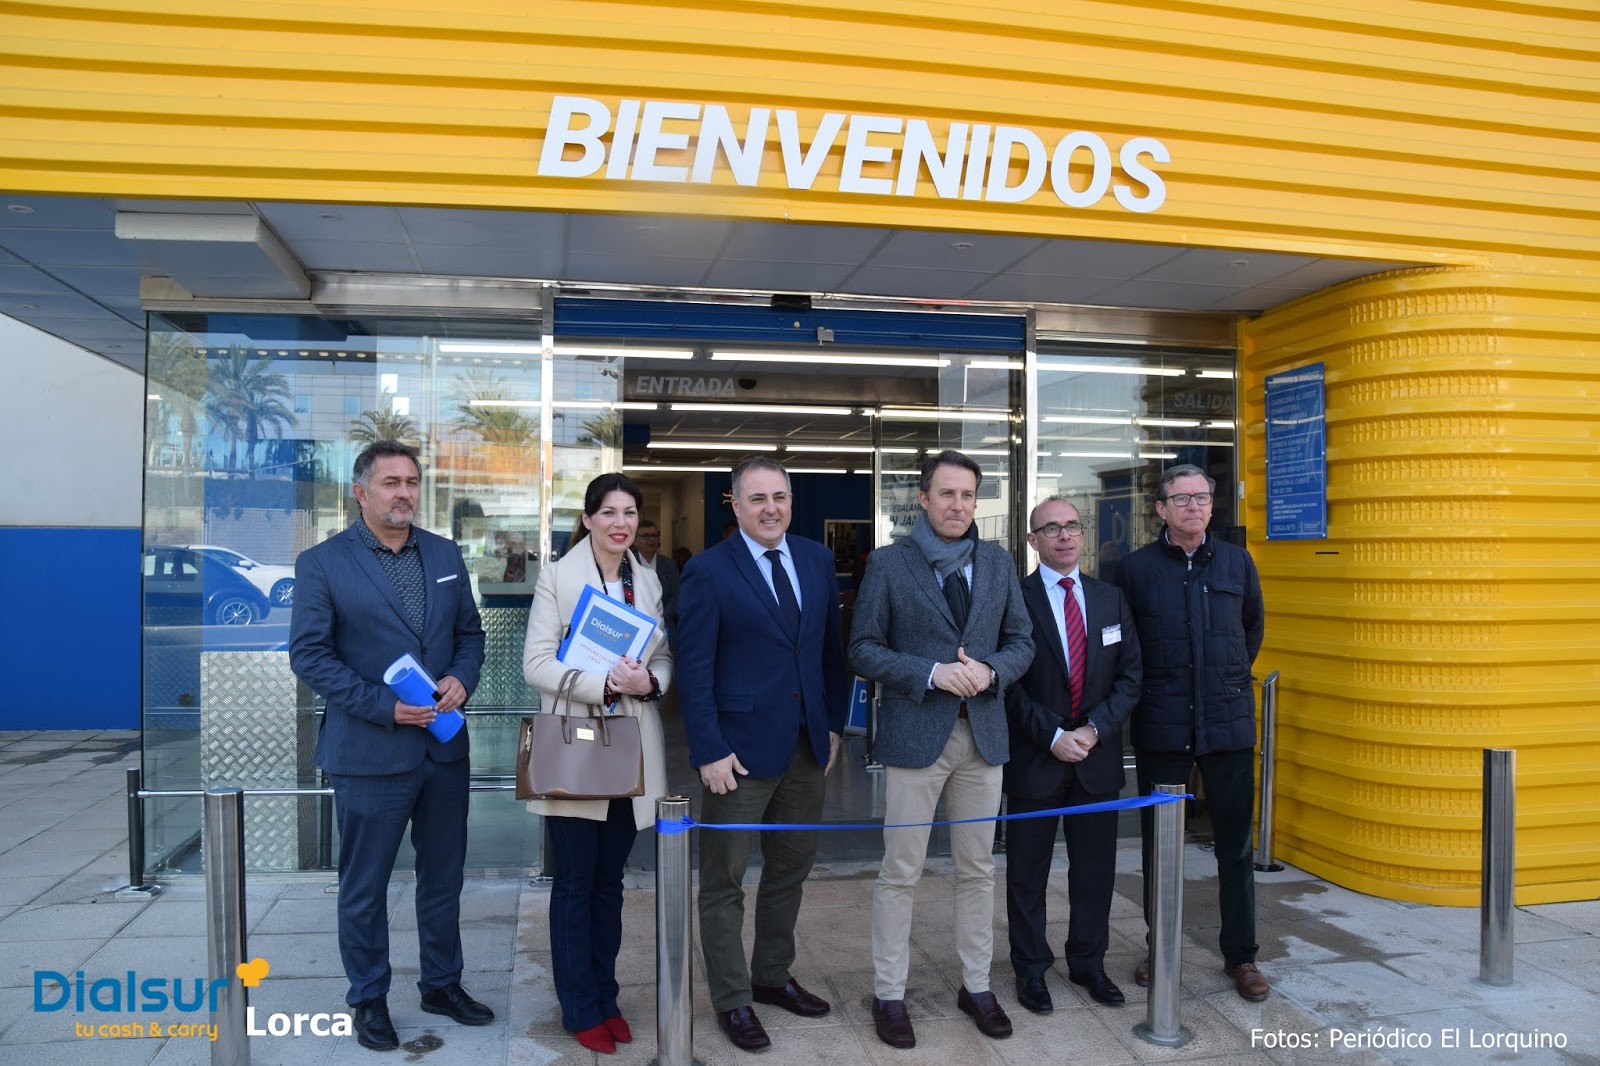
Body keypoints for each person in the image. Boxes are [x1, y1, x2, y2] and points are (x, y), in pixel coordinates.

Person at [288, 440, 491, 1052]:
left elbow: (470, 634)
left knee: (443, 878)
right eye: (390, 483)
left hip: (443, 750)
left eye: (411, 482)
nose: (404, 493)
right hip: (370, 752)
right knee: (365, 885)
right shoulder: (323, 563)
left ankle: (441, 984)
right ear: (361, 492)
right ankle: (369, 996)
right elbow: (310, 656)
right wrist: (384, 706)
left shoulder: (445, 554)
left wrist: (462, 677)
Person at [848, 449, 1034, 1049]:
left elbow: (1022, 641)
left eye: (968, 495)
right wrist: (931, 673)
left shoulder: (998, 562)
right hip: (915, 738)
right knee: (900, 871)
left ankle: (977, 986)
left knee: (977, 870)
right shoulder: (889, 563)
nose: (958, 505)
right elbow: (863, 648)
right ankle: (889, 993)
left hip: (983, 736)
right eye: (946, 494)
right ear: (923, 499)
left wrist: (991, 671)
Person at [675, 456, 850, 1053]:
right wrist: (709, 749)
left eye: (780, 497)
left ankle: (772, 976)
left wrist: (833, 727)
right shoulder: (708, 571)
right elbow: (694, 670)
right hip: (737, 755)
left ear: (791, 502)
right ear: (736, 504)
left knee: (789, 871)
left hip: (807, 748)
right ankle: (732, 999)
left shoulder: (815, 559)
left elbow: (829, 654)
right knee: (723, 880)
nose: (770, 508)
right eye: (757, 498)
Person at [521, 472, 673, 1054]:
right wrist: (603, 682)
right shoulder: (558, 577)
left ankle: (606, 997)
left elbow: (664, 657)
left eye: (629, 513)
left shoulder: (647, 580)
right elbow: (536, 663)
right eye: (608, 512)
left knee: (610, 884)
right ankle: (578, 1005)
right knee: (576, 883)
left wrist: (649, 682)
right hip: (577, 748)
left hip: (631, 750)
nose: (620, 523)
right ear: (587, 519)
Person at [1118, 464, 1268, 1002]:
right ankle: (1160, 947)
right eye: (1181, 499)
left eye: (1202, 497)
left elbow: (1251, 629)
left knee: (1236, 847)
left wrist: (1225, 679)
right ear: (1161, 509)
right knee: (1162, 848)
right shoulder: (1135, 569)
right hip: (1163, 725)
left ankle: (1242, 956)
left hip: (1227, 725)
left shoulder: (1236, 562)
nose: (1193, 506)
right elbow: (1127, 645)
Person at [1004, 497, 1142, 1012]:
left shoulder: (1111, 598)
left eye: (1072, 526)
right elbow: (1007, 684)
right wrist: (1053, 735)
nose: (1064, 536)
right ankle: (1030, 970)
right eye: (1051, 528)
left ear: (1082, 535)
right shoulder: (1014, 600)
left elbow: (1131, 676)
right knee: (1027, 874)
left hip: (1096, 760)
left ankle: (1089, 963)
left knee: (1094, 872)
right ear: (1032, 540)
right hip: (1036, 759)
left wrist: (1093, 730)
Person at [634, 519, 679, 638]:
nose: (651, 539)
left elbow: (677, 595)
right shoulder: (628, 564)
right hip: (635, 624)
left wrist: (662, 615)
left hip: (665, 626)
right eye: (645, 536)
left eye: (654, 535)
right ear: (635, 541)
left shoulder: (670, 565)